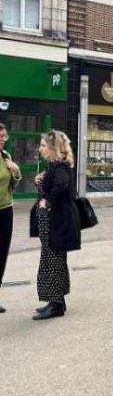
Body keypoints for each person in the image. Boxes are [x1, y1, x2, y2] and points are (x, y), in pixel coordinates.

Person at [31, 130, 80, 320]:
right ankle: (56, 301)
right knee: (52, 260)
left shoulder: (59, 167)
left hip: (57, 223)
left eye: (43, 145)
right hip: (52, 223)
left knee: (53, 262)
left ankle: (56, 305)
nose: (40, 148)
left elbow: (61, 186)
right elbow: (54, 184)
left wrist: (47, 201)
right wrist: (39, 180)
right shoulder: (54, 166)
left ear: (52, 147)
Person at [0, 122, 22, 313]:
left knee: (1, 254)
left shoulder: (6, 156)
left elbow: (12, 185)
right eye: (0, 136)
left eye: (4, 136)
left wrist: (15, 171)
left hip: (6, 210)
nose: (3, 140)